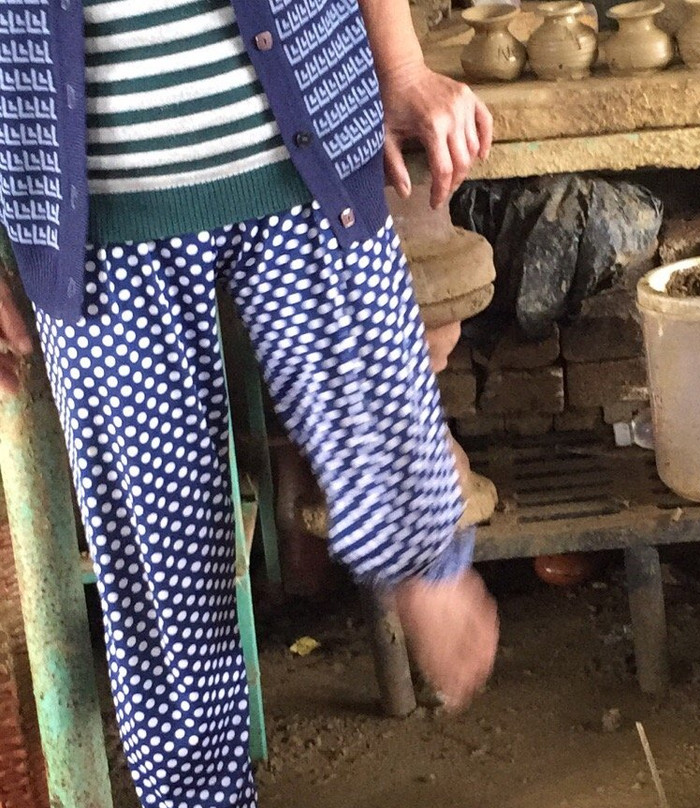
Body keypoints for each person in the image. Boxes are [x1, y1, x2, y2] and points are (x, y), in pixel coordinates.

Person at [0, 1, 498, 806]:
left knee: (384, 414)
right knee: (163, 568)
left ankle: (421, 557)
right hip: (93, 224)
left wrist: (400, 67)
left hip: (307, 153)